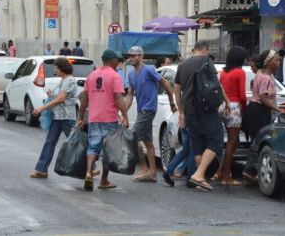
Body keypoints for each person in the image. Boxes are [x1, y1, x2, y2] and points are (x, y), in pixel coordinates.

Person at [174, 41, 229, 191]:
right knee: (215, 141)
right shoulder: (206, 61)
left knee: (197, 144)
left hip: (190, 110)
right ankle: (199, 174)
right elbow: (215, 84)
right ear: (205, 49)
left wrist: (181, 112)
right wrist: (226, 101)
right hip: (207, 109)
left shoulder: (182, 65)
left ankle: (200, 178)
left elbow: (177, 91)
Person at [78, 50, 129, 191]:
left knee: (93, 147)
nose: (118, 63)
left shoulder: (91, 75)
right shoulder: (114, 76)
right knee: (108, 150)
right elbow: (118, 98)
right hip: (110, 118)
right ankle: (104, 180)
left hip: (94, 118)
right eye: (117, 61)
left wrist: (81, 117)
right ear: (112, 61)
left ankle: (88, 172)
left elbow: (84, 99)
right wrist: (125, 115)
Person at [125, 46, 176, 182]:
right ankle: (152, 173)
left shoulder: (149, 70)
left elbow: (165, 82)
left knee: (133, 136)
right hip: (141, 110)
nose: (130, 58)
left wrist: (172, 102)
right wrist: (122, 113)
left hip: (149, 109)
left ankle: (143, 167)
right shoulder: (130, 74)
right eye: (129, 56)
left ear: (141, 56)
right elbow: (130, 95)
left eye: (133, 55)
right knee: (148, 142)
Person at [29, 57, 78, 179]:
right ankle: (41, 169)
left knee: (75, 143)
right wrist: (51, 95)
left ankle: (90, 168)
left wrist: (42, 108)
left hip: (67, 117)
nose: (55, 70)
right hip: (57, 117)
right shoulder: (63, 80)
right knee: (49, 143)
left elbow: (61, 99)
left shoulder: (70, 80)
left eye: (56, 67)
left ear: (62, 68)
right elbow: (59, 97)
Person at [241, 50, 283, 184]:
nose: (278, 62)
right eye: (276, 60)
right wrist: (278, 109)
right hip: (259, 110)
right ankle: (250, 170)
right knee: (258, 141)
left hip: (256, 110)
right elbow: (263, 98)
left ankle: (251, 170)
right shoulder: (265, 77)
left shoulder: (261, 74)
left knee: (256, 140)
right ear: (268, 62)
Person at [212, 46, 247, 186]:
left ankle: (220, 172)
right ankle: (226, 177)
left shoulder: (223, 73)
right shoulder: (240, 72)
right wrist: (243, 109)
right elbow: (242, 96)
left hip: (223, 106)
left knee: (234, 141)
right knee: (232, 142)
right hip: (234, 107)